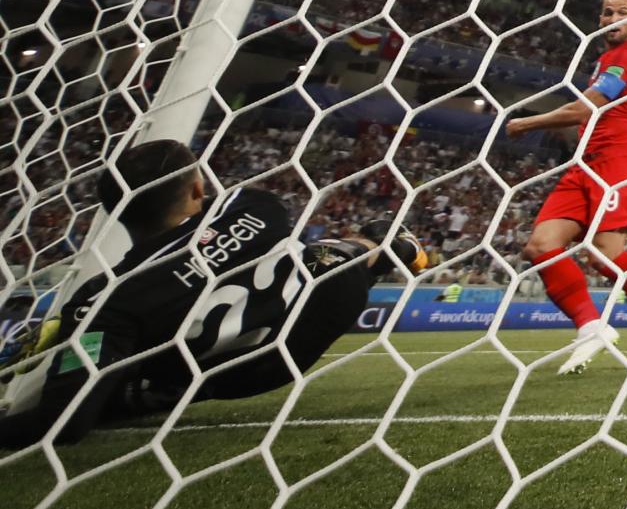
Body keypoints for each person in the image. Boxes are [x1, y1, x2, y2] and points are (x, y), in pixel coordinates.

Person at [0, 140, 424, 448]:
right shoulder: (255, 204)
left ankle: (121, 381)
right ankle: (390, 244)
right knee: (337, 253)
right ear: (198, 190)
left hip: (250, 370)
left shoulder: (108, 300)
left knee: (119, 379)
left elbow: (63, 426)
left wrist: (79, 319)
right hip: (324, 300)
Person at [506, 0, 627, 375]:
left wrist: (526, 122)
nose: (613, 19)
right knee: (540, 245)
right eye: (607, 12)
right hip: (585, 163)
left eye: (623, 13)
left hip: (618, 162)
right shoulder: (613, 58)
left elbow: (582, 109)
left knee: (604, 255)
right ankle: (591, 328)